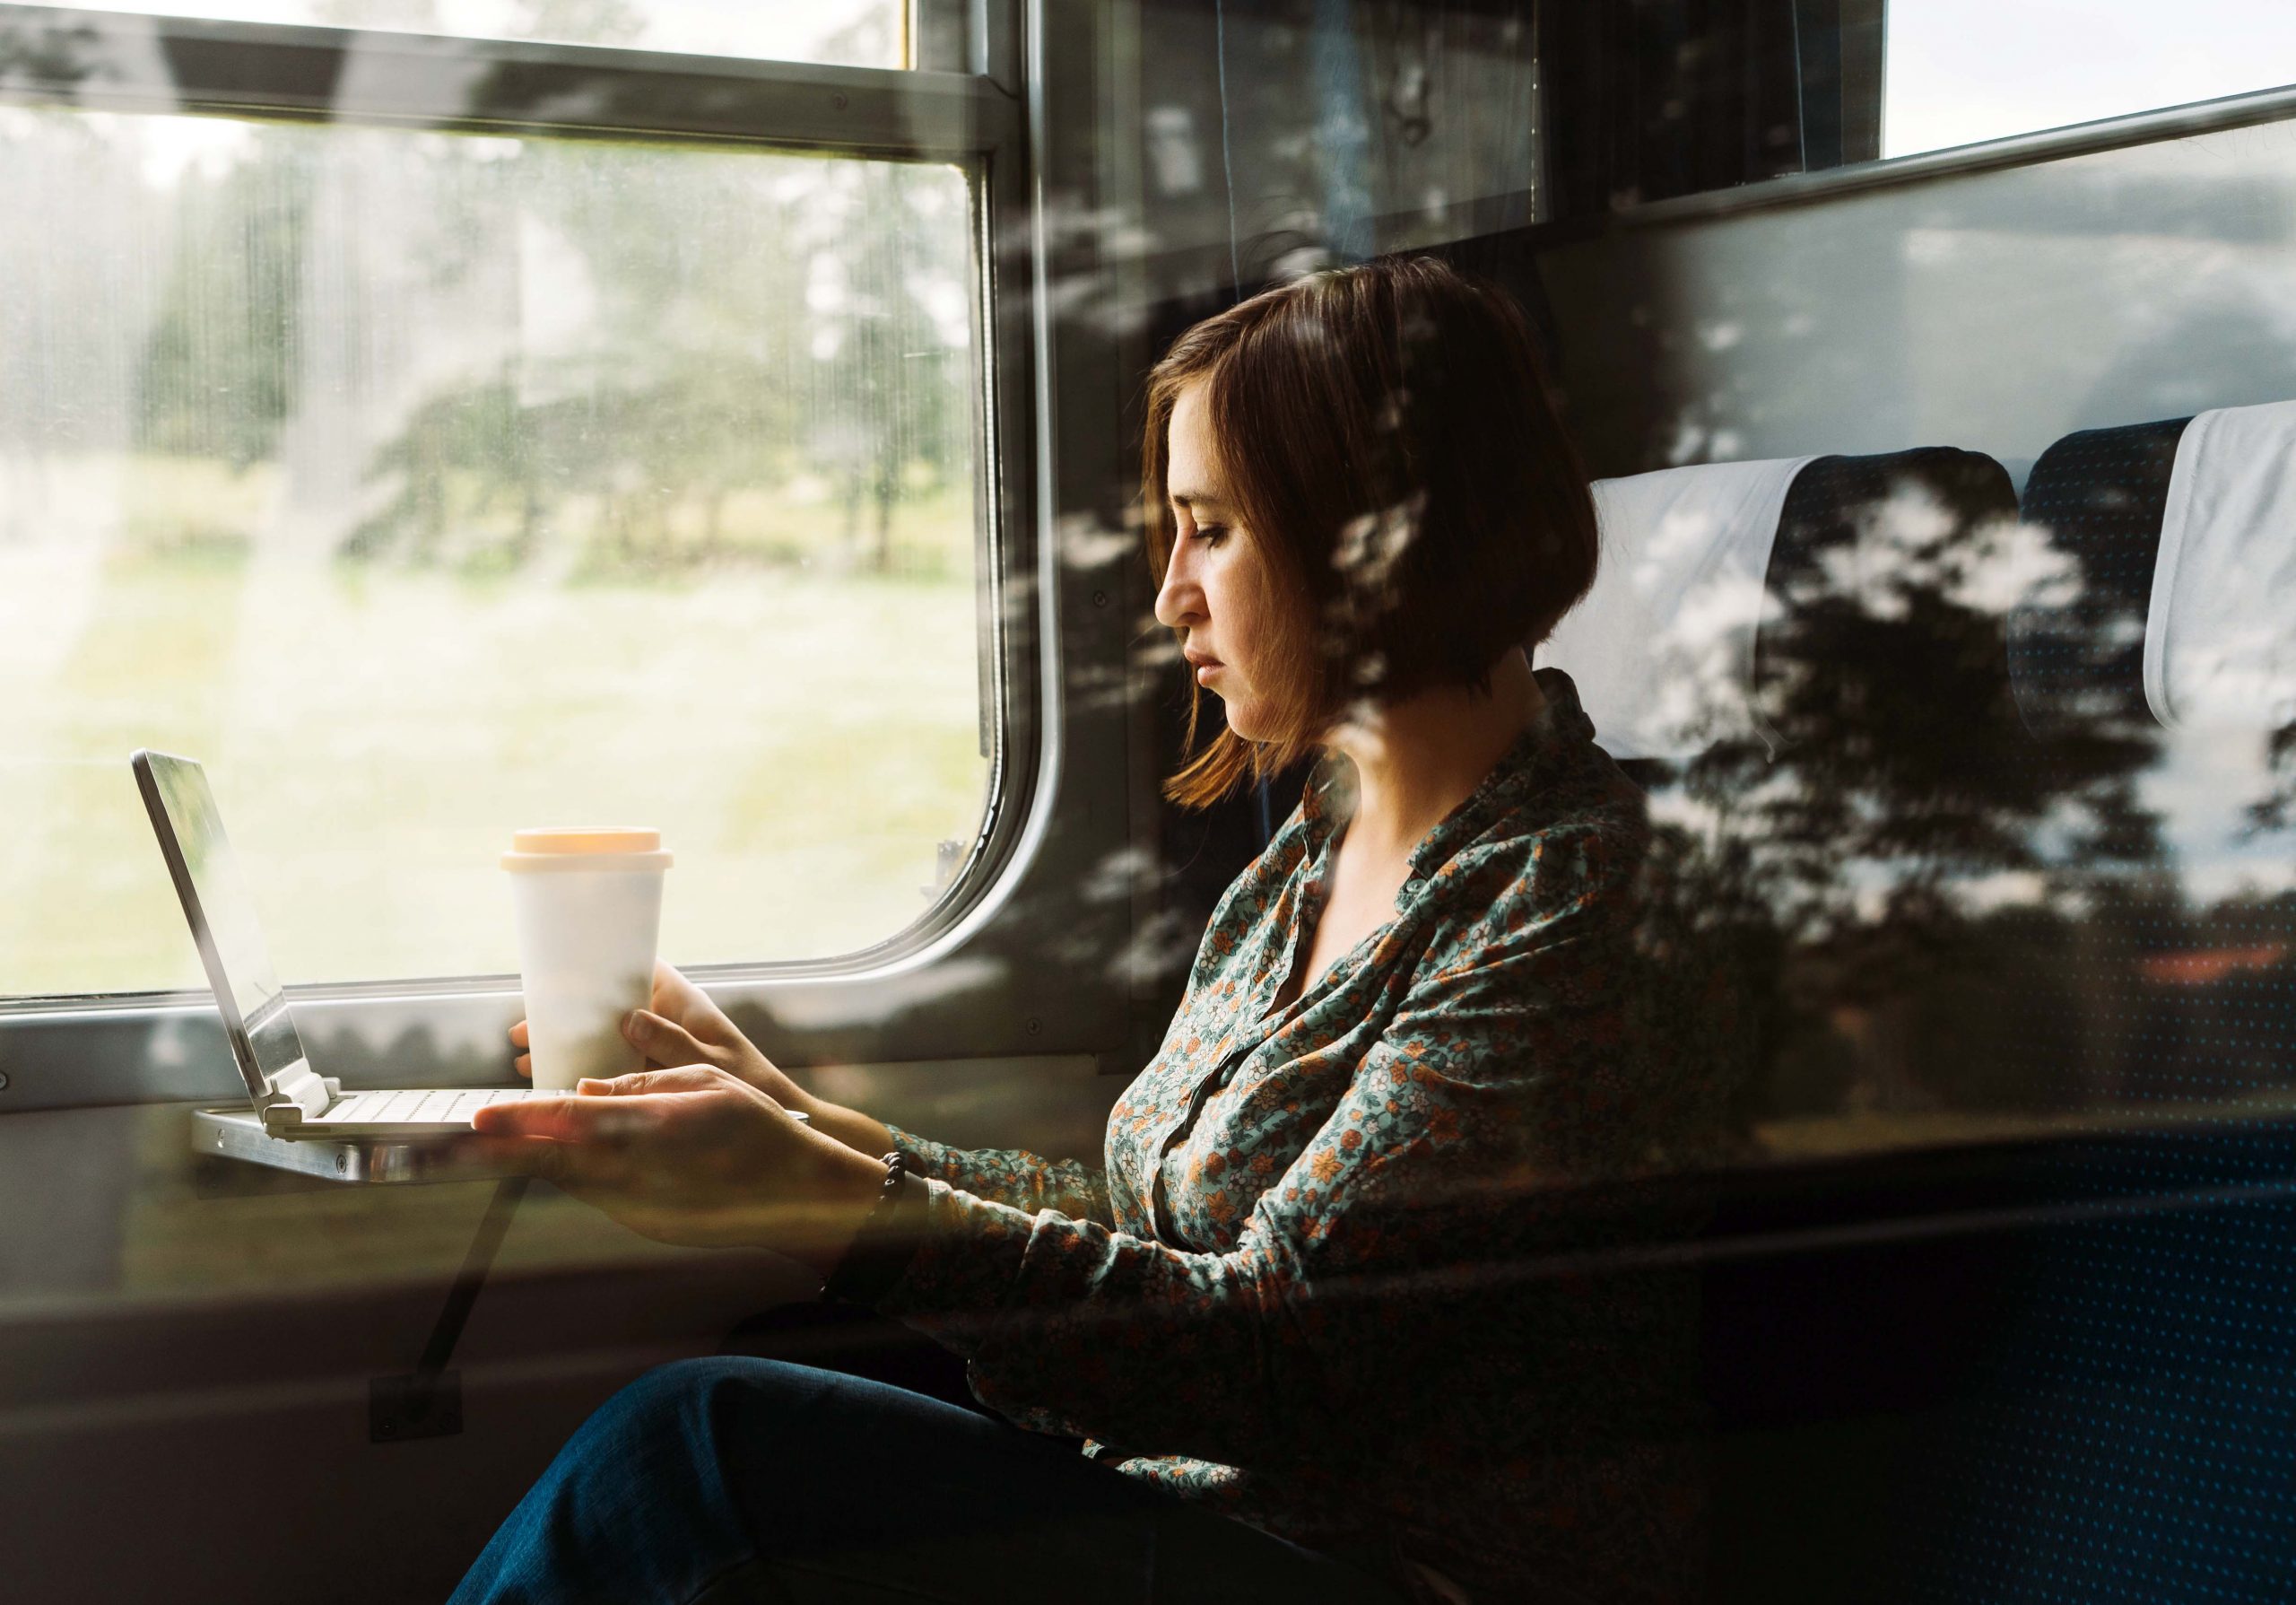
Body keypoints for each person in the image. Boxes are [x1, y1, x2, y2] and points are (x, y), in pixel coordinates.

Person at [452, 256, 1711, 1605]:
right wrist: (804, 1122)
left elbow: (1281, 1355)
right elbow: (1151, 1236)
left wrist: (809, 1199)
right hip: (1202, 1517)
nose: (1172, 593)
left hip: (1398, 1574)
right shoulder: (1311, 857)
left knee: (702, 1448)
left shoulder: (1573, 897)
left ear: (1377, 539)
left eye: (1212, 529)